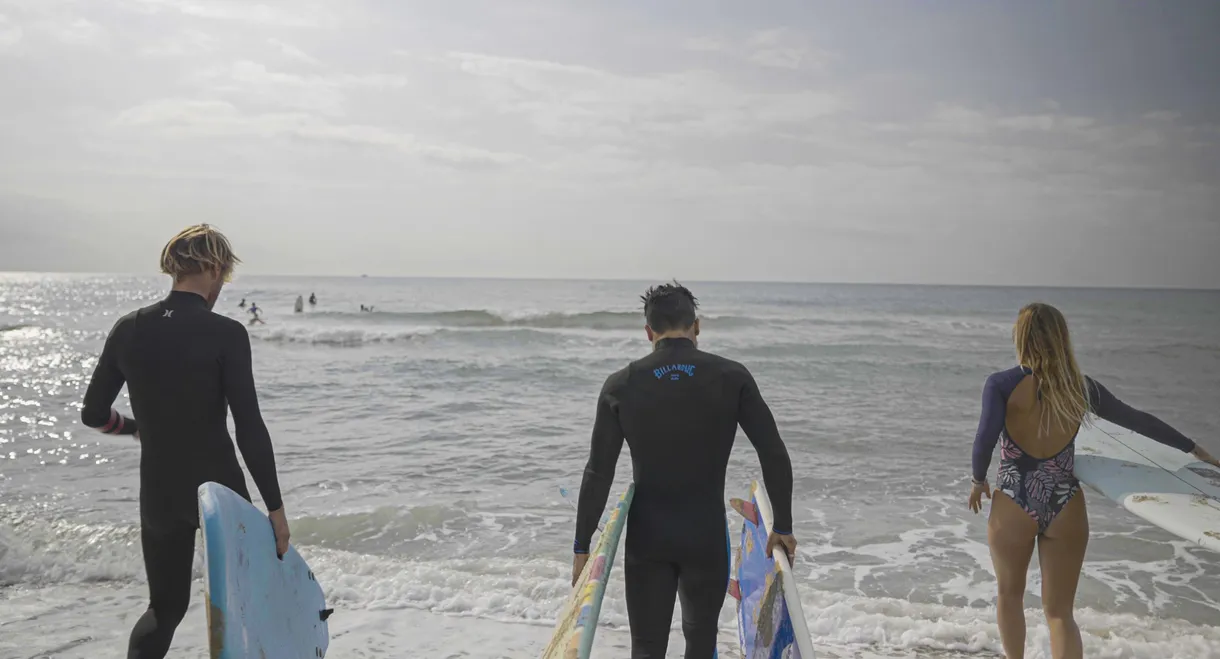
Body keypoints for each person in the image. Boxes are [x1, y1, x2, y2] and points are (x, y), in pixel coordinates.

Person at [80, 224, 291, 659]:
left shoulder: (129, 328)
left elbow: (93, 415)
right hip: (220, 491)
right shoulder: (226, 333)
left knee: (164, 609)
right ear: (214, 268)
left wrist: (136, 428)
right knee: (249, 606)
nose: (222, 288)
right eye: (224, 277)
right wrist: (275, 508)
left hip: (159, 492)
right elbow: (249, 426)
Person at [969, 302, 1218, 659]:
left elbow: (984, 441)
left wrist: (978, 480)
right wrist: (1192, 447)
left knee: (1010, 596)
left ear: (1020, 337)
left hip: (1014, 499)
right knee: (1060, 614)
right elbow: (1138, 421)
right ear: (1061, 338)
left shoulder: (1001, 385)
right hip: (1065, 504)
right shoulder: (1082, 389)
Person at [572, 281, 797, 659]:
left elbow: (598, 472)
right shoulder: (732, 377)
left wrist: (581, 547)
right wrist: (784, 527)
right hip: (705, 539)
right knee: (700, 642)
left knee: (645, 648)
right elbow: (772, 452)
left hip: (647, 540)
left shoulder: (621, 386)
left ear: (648, 333)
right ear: (697, 326)